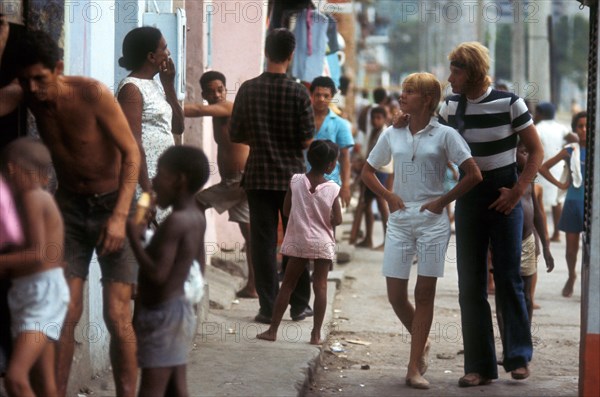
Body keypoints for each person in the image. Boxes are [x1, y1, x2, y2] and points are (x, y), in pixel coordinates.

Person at [15, 30, 141, 397]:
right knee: (64, 312)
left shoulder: (93, 93)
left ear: (58, 68)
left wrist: (119, 216)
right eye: (26, 81)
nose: (34, 88)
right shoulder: (27, 95)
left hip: (115, 203)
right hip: (68, 207)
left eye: (41, 78)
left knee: (117, 315)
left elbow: (131, 154)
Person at [362, 73, 482, 389]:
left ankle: (413, 366)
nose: (402, 96)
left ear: (427, 99)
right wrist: (387, 196)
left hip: (433, 223)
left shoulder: (446, 135)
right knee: (396, 295)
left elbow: (473, 175)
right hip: (400, 220)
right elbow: (367, 171)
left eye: (409, 92)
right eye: (403, 90)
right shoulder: (392, 133)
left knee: (424, 292)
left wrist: (443, 201)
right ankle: (423, 341)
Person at [438, 42, 544, 386]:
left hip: (504, 197)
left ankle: (518, 357)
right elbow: (432, 137)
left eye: (456, 70)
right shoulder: (451, 106)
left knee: (510, 279)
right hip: (469, 197)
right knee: (470, 285)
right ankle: (479, 366)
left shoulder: (509, 103)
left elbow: (536, 149)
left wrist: (517, 191)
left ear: (472, 72)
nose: (450, 77)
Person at [230, 28, 315, 324]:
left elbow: (236, 133)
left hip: (257, 176)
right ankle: (300, 304)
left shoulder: (248, 89)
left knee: (263, 243)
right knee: (296, 240)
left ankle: (268, 308)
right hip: (292, 178)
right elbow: (307, 140)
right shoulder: (298, 92)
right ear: (291, 56)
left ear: (266, 52)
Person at [127, 145, 209, 397]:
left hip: (162, 315)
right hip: (179, 311)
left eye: (159, 174)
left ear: (179, 180)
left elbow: (157, 274)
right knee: (175, 387)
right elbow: (195, 264)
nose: (152, 181)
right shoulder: (195, 217)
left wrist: (132, 237)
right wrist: (148, 236)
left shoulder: (175, 222)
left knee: (151, 389)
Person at [0, 138, 69, 397]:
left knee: (16, 379)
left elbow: (37, 255)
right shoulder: (33, 199)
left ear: (12, 168)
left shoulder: (33, 198)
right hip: (33, 292)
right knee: (44, 384)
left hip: (41, 294)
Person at [256, 140, 342, 345]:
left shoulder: (295, 181)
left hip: (298, 240)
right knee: (320, 286)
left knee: (287, 284)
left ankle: (273, 330)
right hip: (322, 242)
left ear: (309, 158)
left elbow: (286, 211)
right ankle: (315, 335)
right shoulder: (332, 189)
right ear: (331, 165)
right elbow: (337, 220)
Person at [186, 70, 257, 298]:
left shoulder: (228, 106)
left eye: (220, 89)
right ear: (204, 92)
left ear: (226, 90)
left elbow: (197, 110)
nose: (216, 94)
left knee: (195, 203)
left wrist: (167, 106)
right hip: (240, 182)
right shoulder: (219, 113)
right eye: (211, 91)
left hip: (238, 181)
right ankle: (254, 286)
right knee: (250, 235)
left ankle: (194, 265)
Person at [117, 26, 184, 224]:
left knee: (161, 247)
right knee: (143, 243)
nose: (169, 53)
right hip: (143, 182)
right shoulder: (131, 88)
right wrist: (147, 192)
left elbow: (178, 127)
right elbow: (133, 143)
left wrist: (169, 85)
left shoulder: (155, 84)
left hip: (161, 181)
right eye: (165, 47)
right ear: (151, 56)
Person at [496, 141, 555, 363]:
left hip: (528, 242)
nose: (527, 156)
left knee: (527, 298)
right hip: (505, 243)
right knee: (503, 300)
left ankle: (522, 342)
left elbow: (538, 215)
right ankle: (507, 347)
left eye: (529, 152)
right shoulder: (504, 179)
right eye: (523, 152)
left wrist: (546, 247)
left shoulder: (529, 181)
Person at [539, 111, 587, 298]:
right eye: (580, 126)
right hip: (573, 202)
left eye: (587, 126)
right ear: (574, 129)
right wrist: (560, 184)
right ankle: (571, 275)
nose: (583, 130)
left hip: (593, 206)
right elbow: (543, 167)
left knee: (591, 250)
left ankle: (587, 283)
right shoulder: (570, 150)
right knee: (571, 249)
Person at [309, 76, 354, 207]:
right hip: (302, 183)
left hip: (330, 184)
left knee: (328, 225)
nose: (321, 99)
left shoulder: (341, 124)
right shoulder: (301, 120)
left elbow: (345, 157)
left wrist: (346, 186)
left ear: (332, 97)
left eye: (326, 95)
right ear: (311, 95)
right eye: (317, 95)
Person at [351, 106, 391, 249]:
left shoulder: (385, 132)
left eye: (378, 118)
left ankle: (387, 241)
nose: (375, 121)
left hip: (381, 170)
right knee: (366, 203)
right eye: (373, 118)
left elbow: (381, 155)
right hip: (371, 170)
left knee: (381, 203)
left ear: (384, 118)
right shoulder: (374, 131)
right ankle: (368, 238)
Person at [534, 102, 571, 242]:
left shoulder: (538, 128)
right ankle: (556, 233)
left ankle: (542, 234)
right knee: (557, 202)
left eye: (537, 113)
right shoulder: (561, 127)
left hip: (542, 168)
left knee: (538, 202)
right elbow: (573, 139)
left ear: (542, 114)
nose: (535, 115)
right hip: (558, 167)